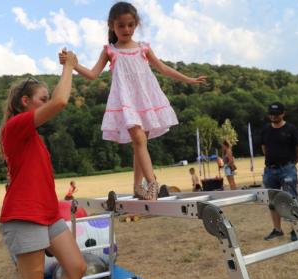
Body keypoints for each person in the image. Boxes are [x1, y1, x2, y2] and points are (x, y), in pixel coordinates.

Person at [59, 1, 207, 200]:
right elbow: (93, 74)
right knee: (139, 140)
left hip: (145, 100)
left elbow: (163, 68)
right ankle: (152, 183)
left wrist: (188, 79)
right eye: (121, 25)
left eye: (130, 25)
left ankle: (138, 187)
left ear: (136, 24)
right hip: (126, 102)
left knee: (140, 144)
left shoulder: (143, 48)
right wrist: (73, 64)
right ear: (112, 25)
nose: (126, 29)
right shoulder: (110, 50)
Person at [0, 51, 87, 279]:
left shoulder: (32, 136)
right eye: (41, 99)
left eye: (46, 98)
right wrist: (69, 67)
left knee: (76, 267)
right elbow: (60, 101)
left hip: (47, 214)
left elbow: (56, 100)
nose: (46, 103)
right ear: (25, 101)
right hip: (25, 215)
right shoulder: (15, 126)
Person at [261, 102, 298, 242]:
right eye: (271, 114)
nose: (273, 116)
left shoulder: (291, 129)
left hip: (287, 169)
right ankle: (277, 230)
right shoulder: (266, 130)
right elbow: (264, 148)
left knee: (290, 199)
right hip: (269, 171)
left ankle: (296, 230)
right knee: (272, 201)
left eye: (276, 114)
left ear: (283, 113)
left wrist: (291, 165)